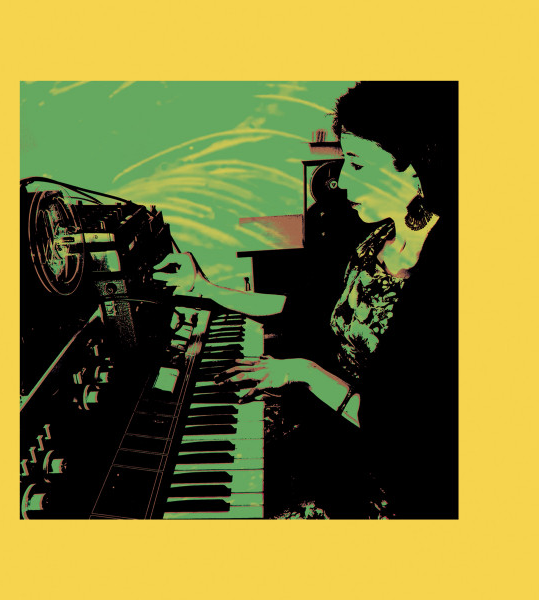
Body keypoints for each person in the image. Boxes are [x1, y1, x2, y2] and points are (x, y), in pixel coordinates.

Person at [154, 82, 458, 519]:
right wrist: (204, 287)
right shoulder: (375, 237)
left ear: (416, 168)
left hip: (392, 481)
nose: (341, 180)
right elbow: (302, 306)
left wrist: (301, 372)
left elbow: (399, 430)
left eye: (357, 163)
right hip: (334, 435)